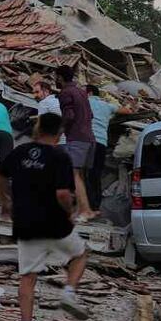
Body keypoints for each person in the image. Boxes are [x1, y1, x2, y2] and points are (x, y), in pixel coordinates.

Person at [0, 112, 89, 321]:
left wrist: (5, 201)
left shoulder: (20, 152)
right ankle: (68, 293)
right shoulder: (60, 156)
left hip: (26, 224)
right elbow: (63, 194)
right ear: (60, 134)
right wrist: (70, 211)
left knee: (28, 277)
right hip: (55, 224)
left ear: (38, 129)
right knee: (79, 255)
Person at [54, 65, 96, 220]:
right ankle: (82, 210)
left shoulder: (65, 93)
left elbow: (69, 116)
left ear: (60, 77)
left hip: (77, 138)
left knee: (74, 175)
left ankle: (85, 211)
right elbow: (91, 115)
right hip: (90, 138)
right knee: (80, 175)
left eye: (55, 77)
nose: (55, 80)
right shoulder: (82, 92)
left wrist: (58, 133)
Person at [86, 85, 134, 211]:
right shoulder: (106, 105)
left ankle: (85, 205)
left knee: (84, 174)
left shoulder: (84, 103)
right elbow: (127, 111)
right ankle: (95, 205)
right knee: (96, 174)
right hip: (101, 143)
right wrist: (129, 105)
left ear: (89, 93)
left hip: (87, 142)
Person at [33, 80, 65, 144]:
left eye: (37, 92)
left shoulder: (44, 102)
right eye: (33, 93)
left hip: (54, 141)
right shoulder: (57, 100)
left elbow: (40, 124)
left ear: (46, 92)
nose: (35, 95)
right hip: (65, 139)